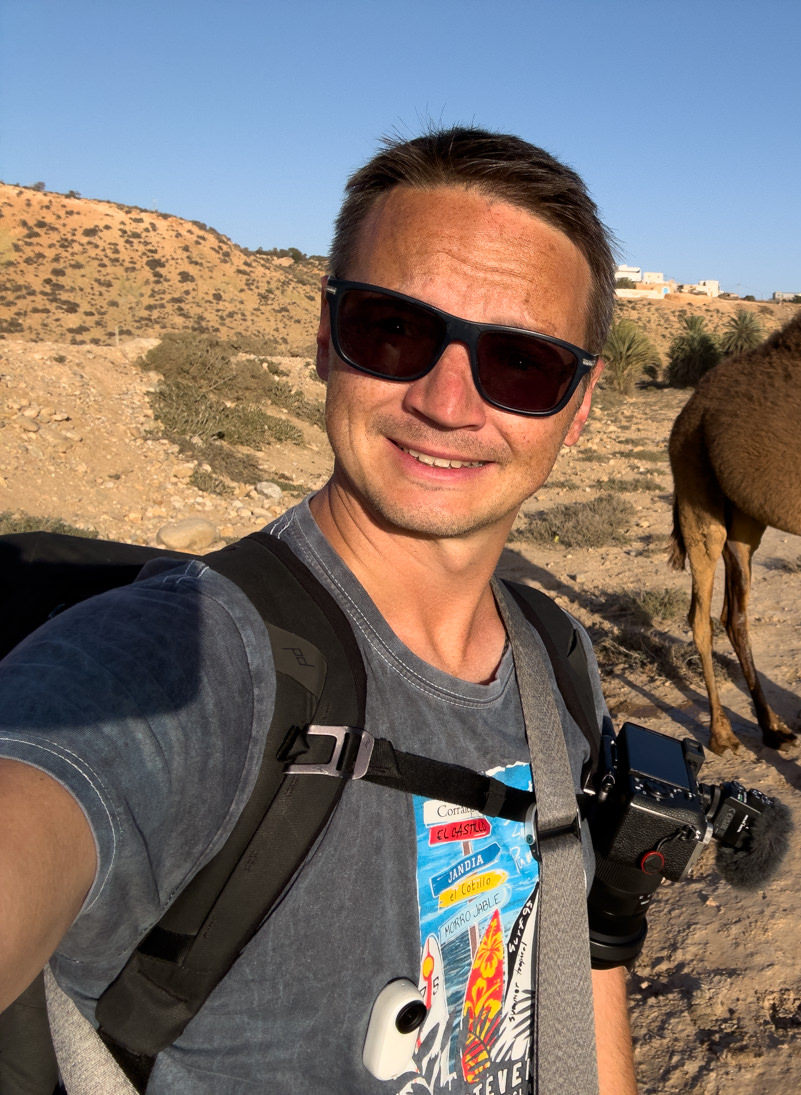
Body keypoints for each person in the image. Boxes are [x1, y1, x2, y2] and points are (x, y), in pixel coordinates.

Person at [0, 127, 636, 1093]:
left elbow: (577, 972)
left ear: (579, 404)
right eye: (394, 329)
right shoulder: (193, 658)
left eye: (522, 363)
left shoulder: (556, 657)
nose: (446, 401)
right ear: (324, 335)